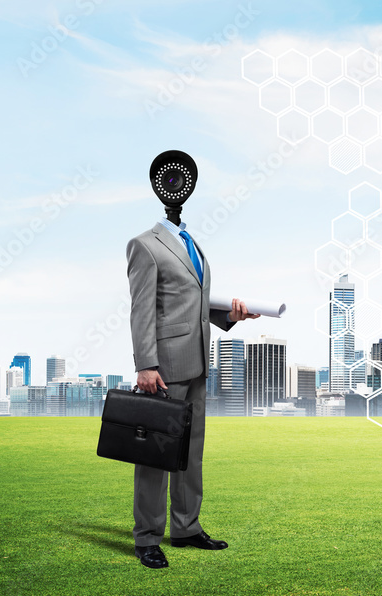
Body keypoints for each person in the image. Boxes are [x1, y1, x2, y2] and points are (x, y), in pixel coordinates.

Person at [127, 151, 260, 569]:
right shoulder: (145, 246)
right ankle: (147, 537)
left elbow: (193, 303)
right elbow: (141, 309)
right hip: (164, 367)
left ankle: (186, 528)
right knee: (156, 455)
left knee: (190, 451)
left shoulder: (193, 243)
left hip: (199, 362)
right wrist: (146, 364)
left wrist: (230, 317)